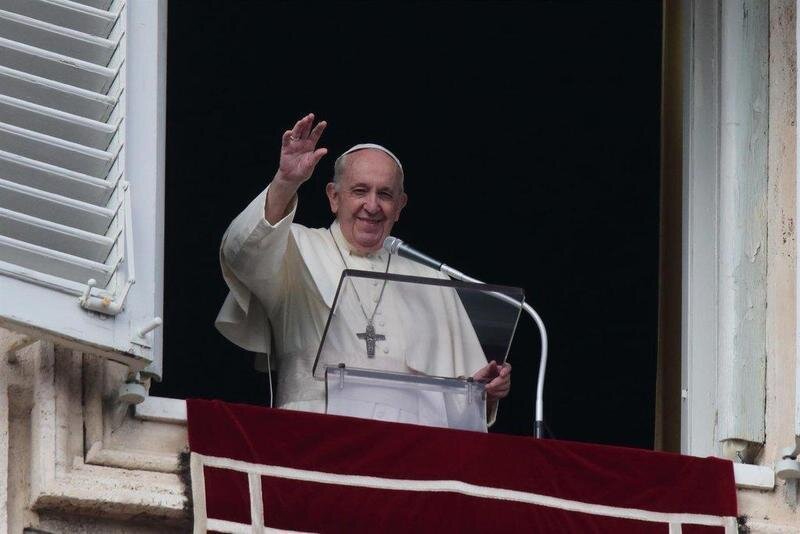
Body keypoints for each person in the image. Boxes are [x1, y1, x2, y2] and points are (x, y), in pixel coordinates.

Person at [215, 113, 511, 421]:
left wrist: (482, 394)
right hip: (312, 443)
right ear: (334, 197)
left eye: (384, 194)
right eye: (360, 191)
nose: (372, 206)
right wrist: (285, 183)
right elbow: (241, 253)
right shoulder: (295, 249)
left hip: (410, 454)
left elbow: (460, 406)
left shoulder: (431, 281)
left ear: (400, 206)